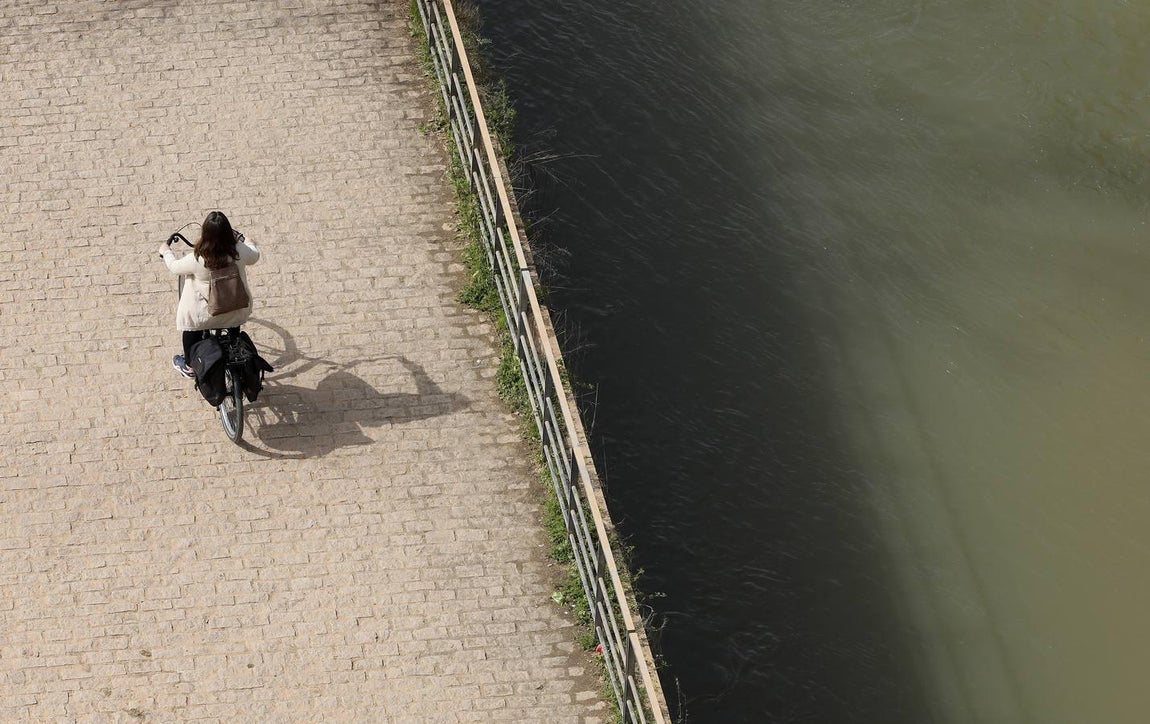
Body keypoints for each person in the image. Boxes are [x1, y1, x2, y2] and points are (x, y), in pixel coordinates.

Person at [158, 211, 261, 378]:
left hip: (206, 316)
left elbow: (175, 267)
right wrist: (250, 242)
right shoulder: (239, 251)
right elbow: (254, 256)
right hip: (236, 310)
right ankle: (234, 344)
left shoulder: (198, 258)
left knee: (191, 328)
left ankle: (189, 366)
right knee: (233, 320)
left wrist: (166, 251)